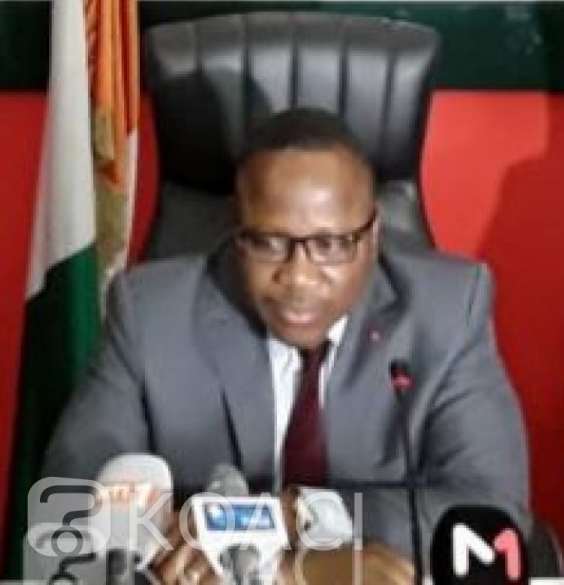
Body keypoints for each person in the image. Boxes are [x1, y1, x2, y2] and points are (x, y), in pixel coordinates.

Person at [43, 108, 530, 582]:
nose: (299, 278)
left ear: (372, 235)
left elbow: (493, 509)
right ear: (237, 231)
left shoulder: (447, 312)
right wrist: (164, 552)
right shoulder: (151, 313)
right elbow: (71, 492)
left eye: (331, 245)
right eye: (269, 242)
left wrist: (294, 519)